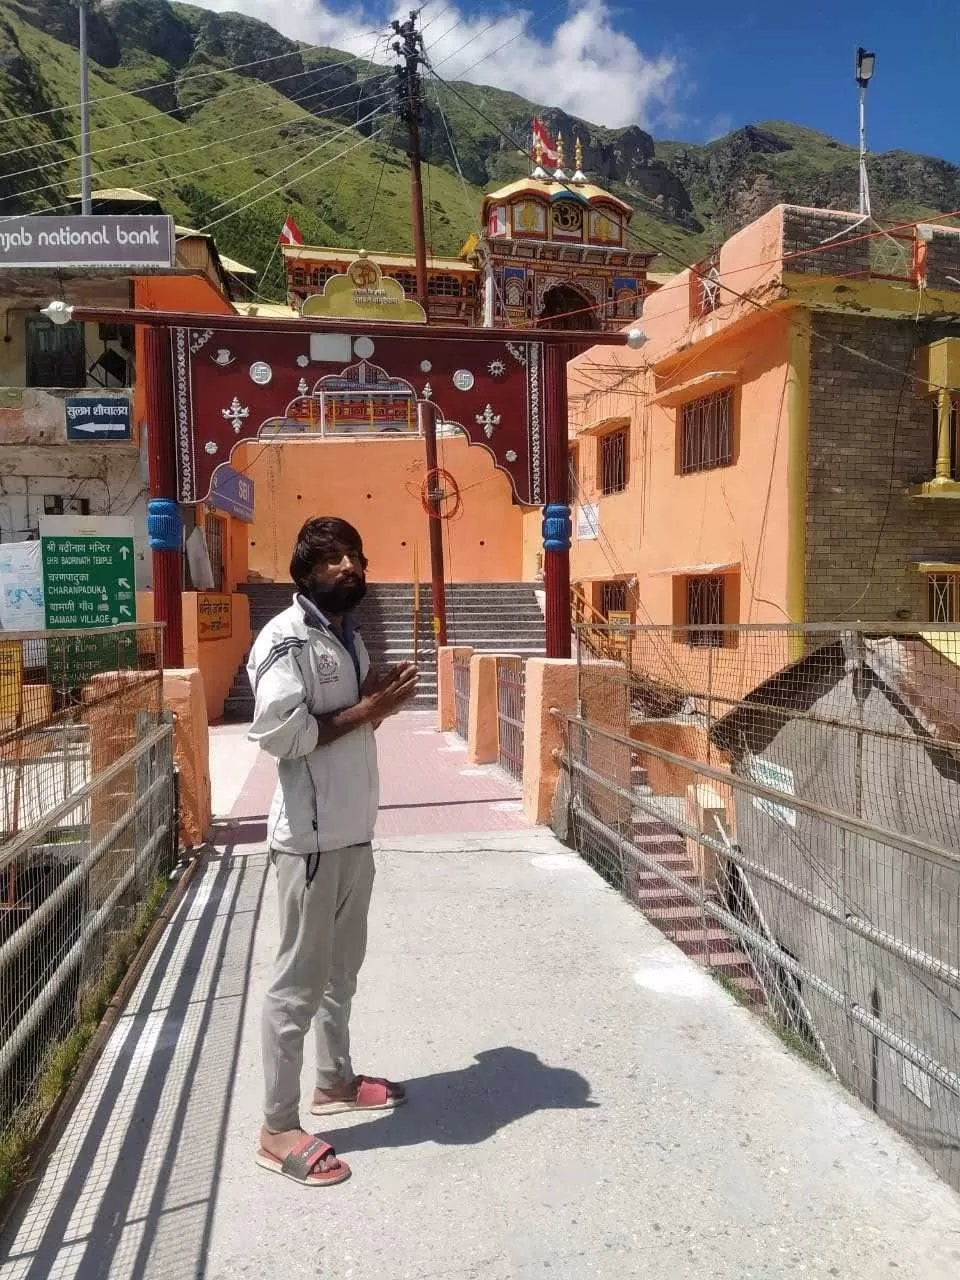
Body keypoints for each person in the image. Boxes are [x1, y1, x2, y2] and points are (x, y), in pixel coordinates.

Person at [247, 516, 418, 1187]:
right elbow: (281, 736)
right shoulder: (284, 639)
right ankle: (276, 1126)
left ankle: (335, 1081)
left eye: (355, 555)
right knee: (297, 985)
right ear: (305, 571)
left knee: (342, 972)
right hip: (309, 846)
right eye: (332, 558)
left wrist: (380, 701)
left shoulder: (348, 636)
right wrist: (372, 710)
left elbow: (351, 721)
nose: (348, 566)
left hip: (353, 837)